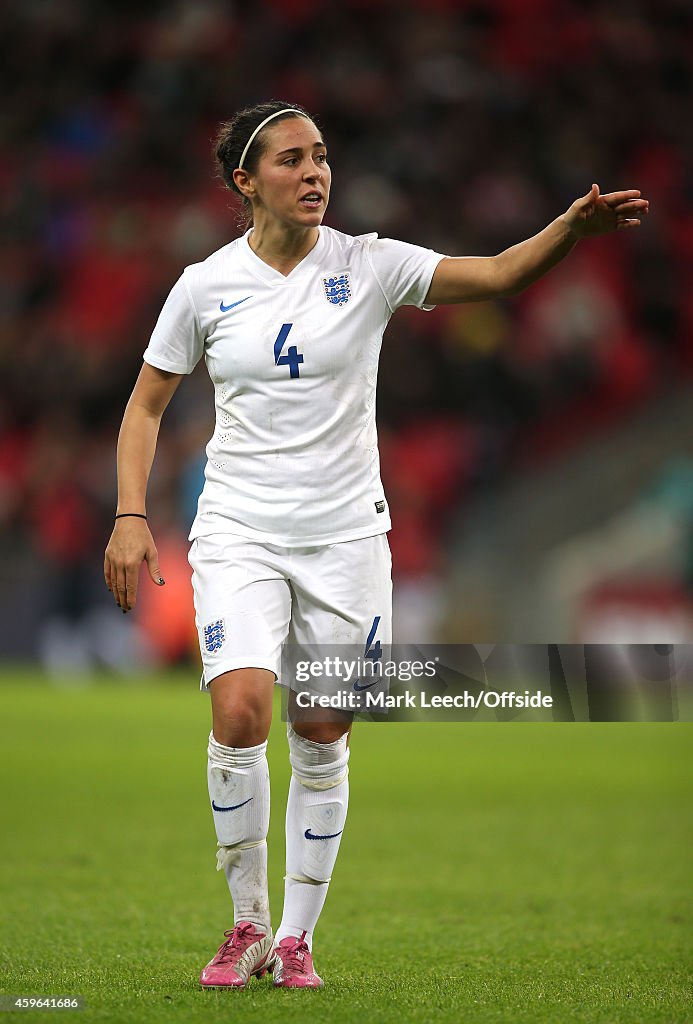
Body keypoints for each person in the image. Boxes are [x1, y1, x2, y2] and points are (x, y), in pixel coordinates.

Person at [103, 100, 648, 989]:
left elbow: (502, 272)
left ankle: (295, 937)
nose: (315, 173)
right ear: (246, 181)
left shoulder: (373, 264)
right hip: (239, 528)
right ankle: (243, 926)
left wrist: (569, 229)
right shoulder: (204, 285)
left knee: (321, 728)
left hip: (347, 538)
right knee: (239, 713)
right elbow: (146, 405)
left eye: (321, 157)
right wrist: (130, 515)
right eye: (291, 160)